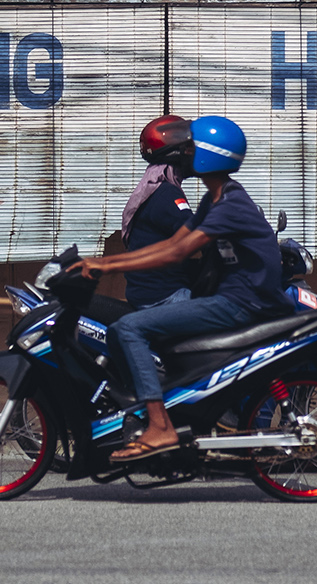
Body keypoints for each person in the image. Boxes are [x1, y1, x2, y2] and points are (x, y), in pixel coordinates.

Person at [78, 114, 291, 466]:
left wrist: (107, 265)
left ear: (208, 156)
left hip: (239, 304)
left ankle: (161, 426)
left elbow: (178, 252)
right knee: (122, 333)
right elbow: (171, 245)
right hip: (232, 300)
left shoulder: (230, 204)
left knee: (129, 329)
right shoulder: (214, 200)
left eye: (191, 147)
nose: (184, 153)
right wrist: (105, 263)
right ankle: (154, 414)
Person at [121, 115, 195, 310]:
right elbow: (195, 233)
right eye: (189, 148)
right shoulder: (166, 193)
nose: (194, 153)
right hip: (164, 295)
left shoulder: (156, 188)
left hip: (151, 290)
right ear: (174, 152)